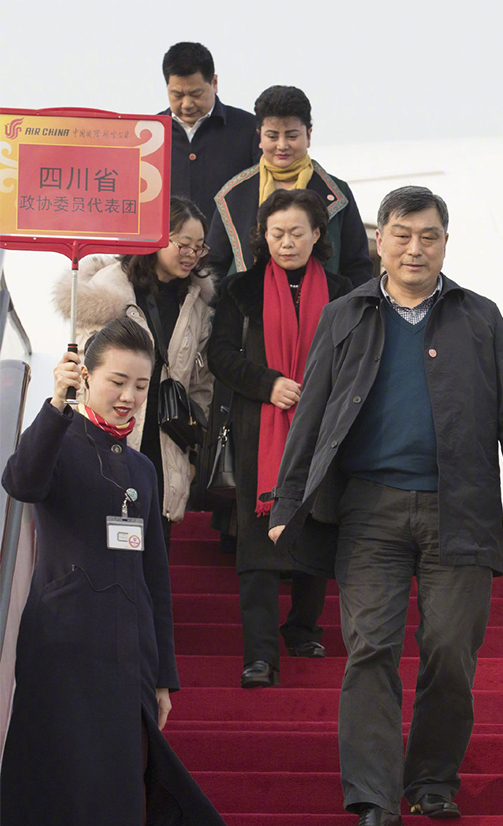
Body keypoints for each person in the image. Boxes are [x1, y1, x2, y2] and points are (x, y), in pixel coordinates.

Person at [267, 186, 503, 826]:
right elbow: (313, 412)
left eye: (428, 236)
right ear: (380, 241)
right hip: (369, 510)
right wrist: (286, 500)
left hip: (461, 509)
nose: (414, 248)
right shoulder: (345, 315)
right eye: (401, 234)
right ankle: (373, 801)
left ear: (445, 242)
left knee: (450, 650)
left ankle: (430, 780)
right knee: (370, 649)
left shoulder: (478, 317)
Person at [0, 318, 237, 826]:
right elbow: (22, 482)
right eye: (117, 381)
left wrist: (162, 677)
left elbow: (155, 577)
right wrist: (55, 405)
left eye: (141, 384)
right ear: (86, 376)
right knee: (59, 796)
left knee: (118, 805)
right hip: (59, 654)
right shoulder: (57, 440)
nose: (130, 396)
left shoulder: (142, 469)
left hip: (125, 661)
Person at [208, 189, 351, 687]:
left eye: (296, 232)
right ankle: (260, 654)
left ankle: (303, 628)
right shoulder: (240, 290)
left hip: (323, 429)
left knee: (315, 523)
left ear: (317, 234)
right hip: (258, 429)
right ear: (262, 237)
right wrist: (267, 383)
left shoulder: (344, 292)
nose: (286, 242)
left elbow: (358, 357)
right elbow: (219, 354)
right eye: (276, 233)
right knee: (257, 540)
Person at [53, 196, 213, 551]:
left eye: (199, 247)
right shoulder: (108, 288)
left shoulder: (196, 302)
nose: (191, 254)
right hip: (111, 433)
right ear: (156, 237)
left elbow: (201, 384)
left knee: (154, 549)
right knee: (102, 544)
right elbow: (86, 371)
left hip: (166, 440)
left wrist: (190, 450)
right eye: (183, 244)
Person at [207, 85, 373, 287]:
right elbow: (213, 267)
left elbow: (357, 266)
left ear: (308, 136)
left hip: (325, 305)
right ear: (259, 136)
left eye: (292, 136)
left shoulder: (337, 193)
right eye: (272, 136)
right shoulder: (233, 194)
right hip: (249, 305)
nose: (282, 145)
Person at [160, 41, 260, 226]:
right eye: (177, 95)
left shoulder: (249, 129)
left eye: (196, 94)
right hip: (167, 244)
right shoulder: (150, 135)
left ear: (214, 83)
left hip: (230, 243)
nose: (187, 104)